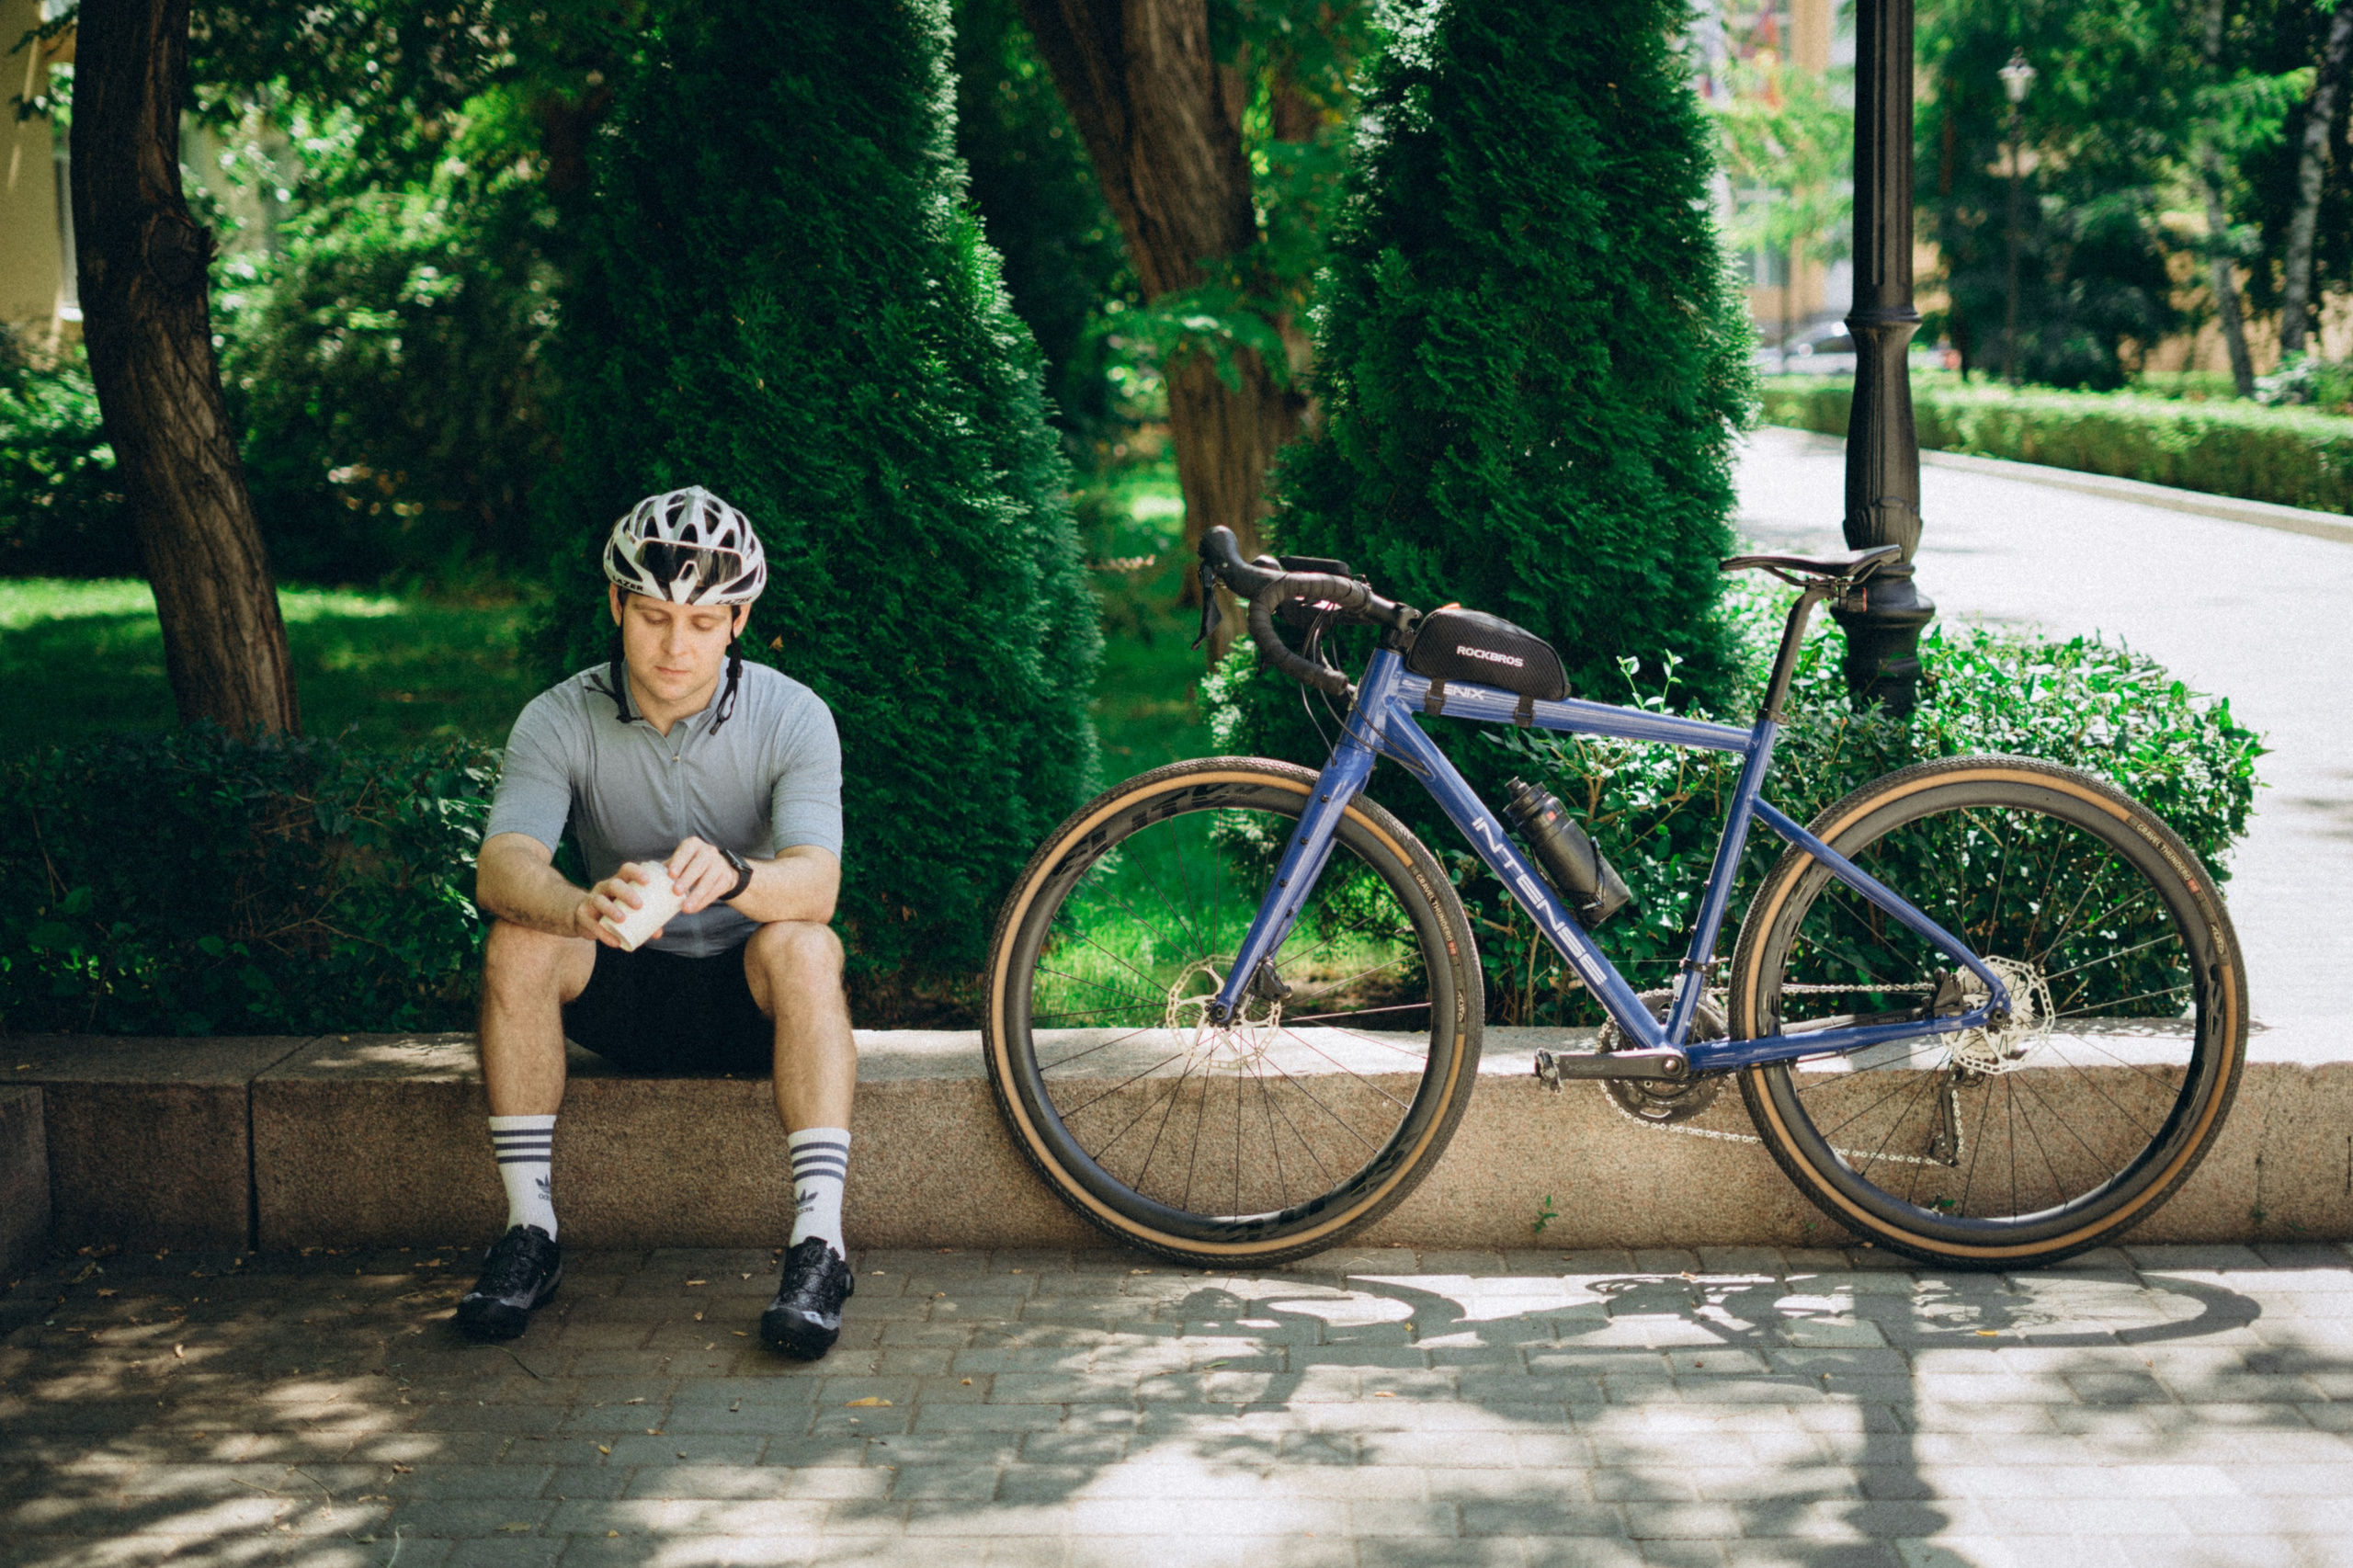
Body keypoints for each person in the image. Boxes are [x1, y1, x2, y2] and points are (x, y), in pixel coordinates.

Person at [455, 486, 858, 1359]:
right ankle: (530, 1233)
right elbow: (501, 865)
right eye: (652, 616)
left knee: (807, 942)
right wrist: (577, 904)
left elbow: (818, 882)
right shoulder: (558, 716)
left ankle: (820, 1245)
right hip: (624, 987)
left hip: (751, 998)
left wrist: (741, 875)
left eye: (704, 622)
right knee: (520, 937)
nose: (676, 646)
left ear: (739, 620)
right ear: (616, 606)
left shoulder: (795, 717)